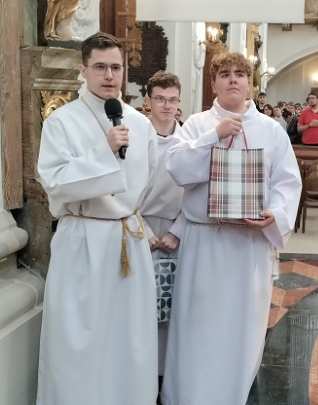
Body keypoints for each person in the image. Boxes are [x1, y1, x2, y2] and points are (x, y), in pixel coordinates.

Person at [162, 51, 302, 405]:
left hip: (247, 244)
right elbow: (177, 169)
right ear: (214, 83)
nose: (233, 79)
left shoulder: (271, 130)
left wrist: (274, 215)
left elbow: (287, 182)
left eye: (241, 73)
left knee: (242, 326)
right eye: (225, 74)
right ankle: (189, 397)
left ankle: (232, 396)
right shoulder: (197, 124)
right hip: (204, 242)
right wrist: (214, 135)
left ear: (250, 83)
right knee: (197, 324)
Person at [36, 32, 158, 405]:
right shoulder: (61, 121)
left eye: (116, 68)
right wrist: (104, 152)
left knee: (129, 341)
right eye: (100, 67)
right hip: (82, 242)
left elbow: (150, 179)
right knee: (78, 343)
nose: (109, 75)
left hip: (128, 242)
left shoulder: (140, 123)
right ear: (83, 69)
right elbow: (55, 183)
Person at [139, 70, 186, 386]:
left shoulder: (189, 143)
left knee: (171, 306)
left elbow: (196, 193)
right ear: (148, 101)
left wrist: (176, 232)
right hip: (138, 229)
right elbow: (123, 189)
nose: (167, 106)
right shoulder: (136, 139)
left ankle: (164, 376)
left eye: (172, 100)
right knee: (141, 305)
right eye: (160, 99)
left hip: (175, 233)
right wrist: (142, 231)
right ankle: (140, 374)